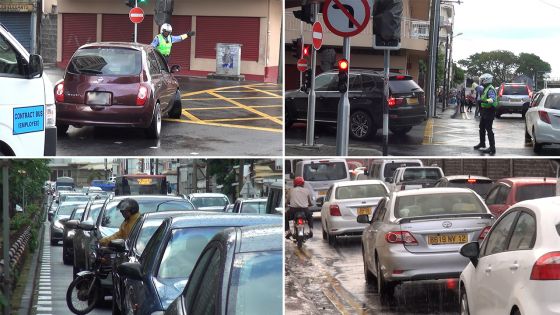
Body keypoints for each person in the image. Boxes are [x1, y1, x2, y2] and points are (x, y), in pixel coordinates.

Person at [473, 73, 498, 155]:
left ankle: (492, 148)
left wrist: (483, 101)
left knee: (489, 129)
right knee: (482, 127)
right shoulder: (485, 88)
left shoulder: (490, 89)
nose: (481, 81)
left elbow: (492, 100)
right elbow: (477, 88)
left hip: (489, 110)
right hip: (484, 111)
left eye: (482, 80)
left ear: (486, 80)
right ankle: (482, 143)